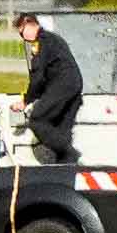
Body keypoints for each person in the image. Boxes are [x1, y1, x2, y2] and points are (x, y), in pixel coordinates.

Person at [12, 13, 82, 163]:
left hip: (63, 85)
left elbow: (37, 77)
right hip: (74, 87)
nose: (22, 37)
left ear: (29, 24)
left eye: (21, 31)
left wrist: (26, 100)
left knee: (37, 120)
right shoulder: (53, 39)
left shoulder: (42, 42)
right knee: (61, 131)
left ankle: (69, 152)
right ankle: (66, 166)